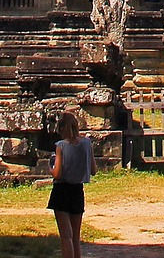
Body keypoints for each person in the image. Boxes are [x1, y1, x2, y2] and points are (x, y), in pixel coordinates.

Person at [48, 108, 93, 258]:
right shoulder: (87, 143)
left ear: (61, 129)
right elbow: (93, 169)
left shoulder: (61, 145)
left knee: (66, 236)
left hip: (62, 191)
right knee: (75, 237)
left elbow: (58, 173)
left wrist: (50, 168)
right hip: (78, 190)